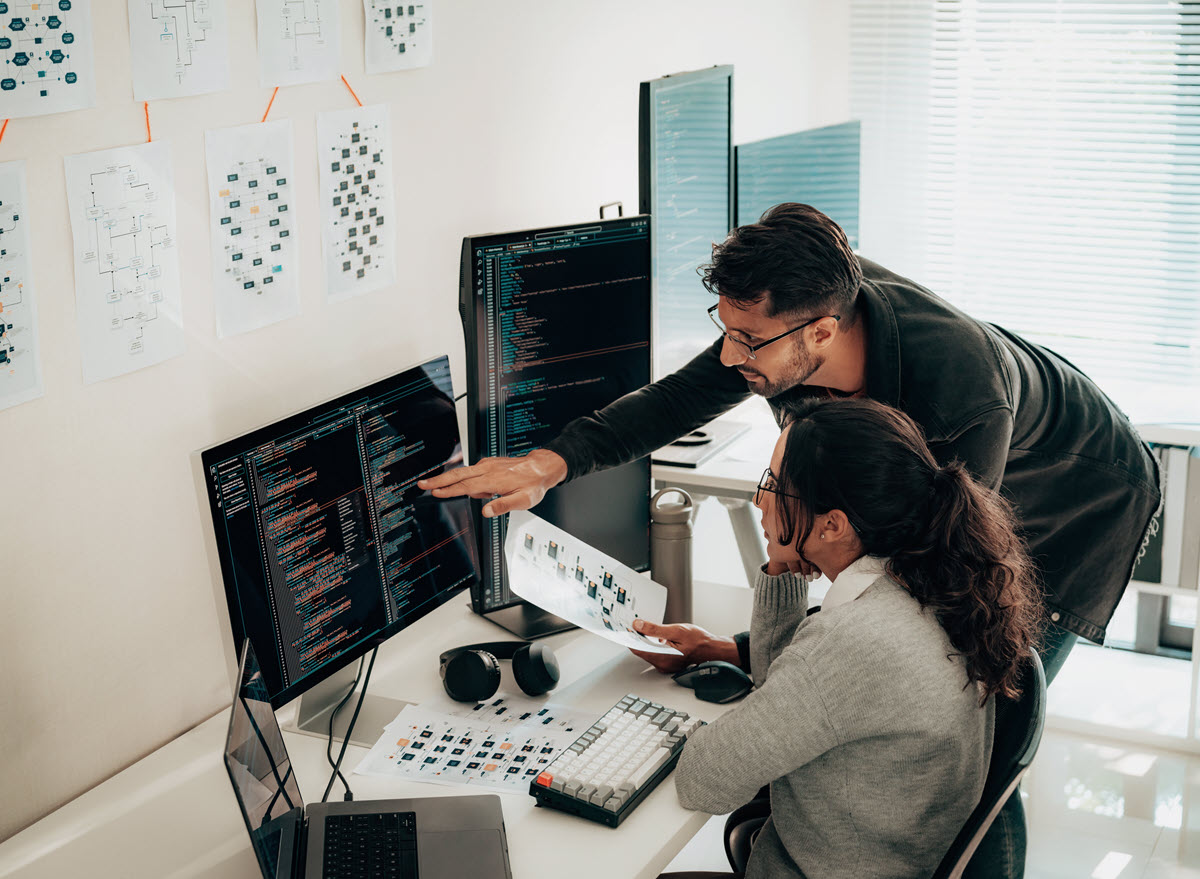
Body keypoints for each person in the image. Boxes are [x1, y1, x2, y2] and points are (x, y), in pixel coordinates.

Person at [419, 203, 1161, 876]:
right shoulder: (790, 317)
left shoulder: (959, 397)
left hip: (1078, 495)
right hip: (984, 467)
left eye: (746, 339)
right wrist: (547, 465)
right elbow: (676, 397)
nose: (731, 354)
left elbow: (913, 604)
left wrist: (775, 662)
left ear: (822, 333)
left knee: (980, 701)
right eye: (725, 328)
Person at [653, 397, 1043, 879]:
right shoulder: (937, 585)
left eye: (773, 485)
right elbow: (784, 685)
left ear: (833, 524)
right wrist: (781, 563)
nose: (759, 500)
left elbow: (704, 782)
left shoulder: (855, 641)